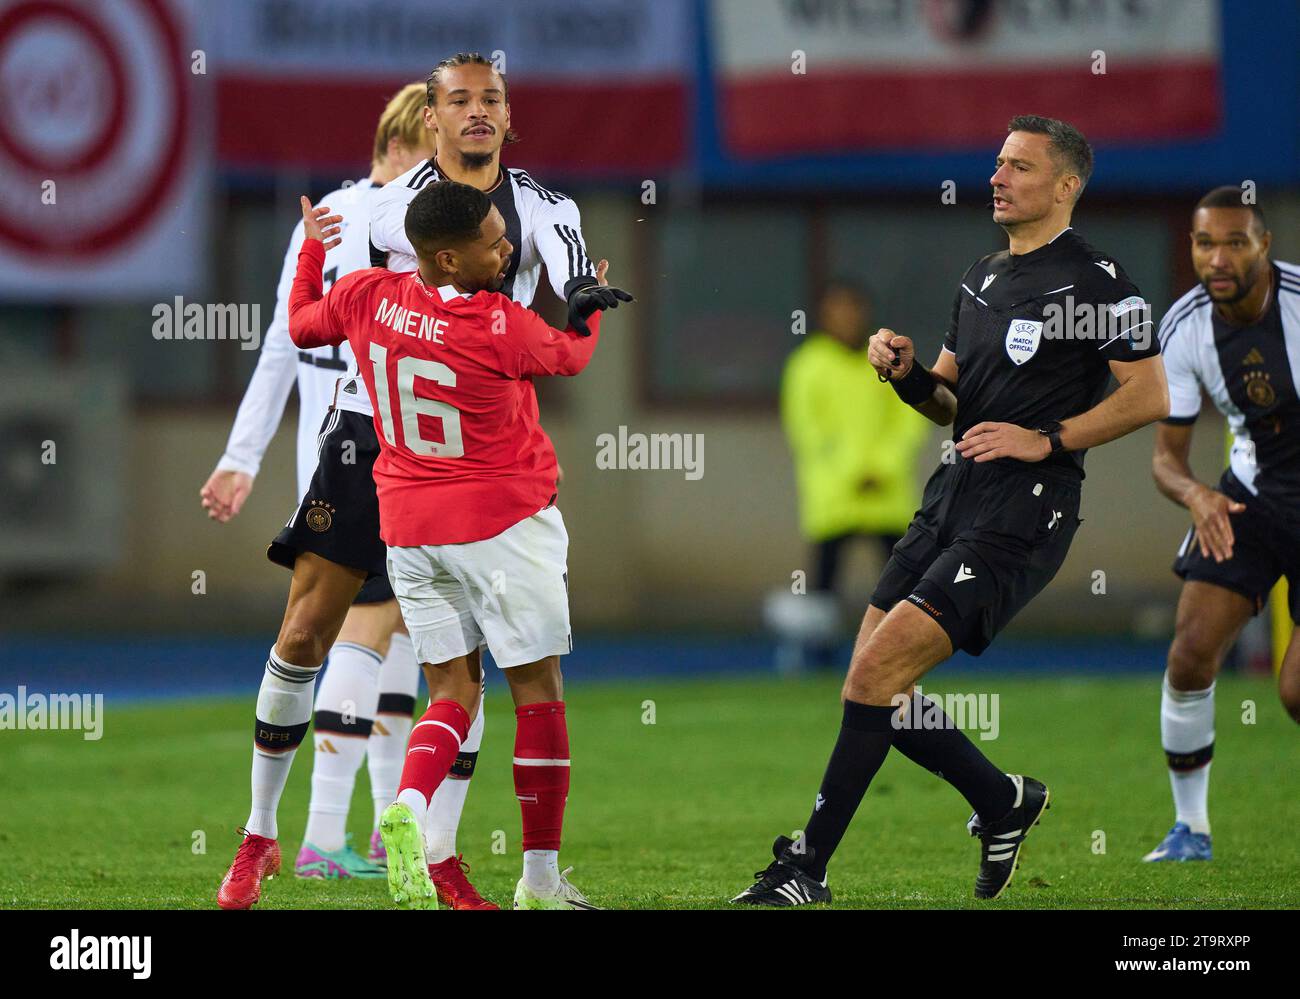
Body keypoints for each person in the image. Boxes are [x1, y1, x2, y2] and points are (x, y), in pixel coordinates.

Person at [732, 115, 1169, 905]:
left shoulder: (1098, 279)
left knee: (873, 671)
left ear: (1066, 186)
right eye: (998, 163)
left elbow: (1152, 394)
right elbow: (947, 401)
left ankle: (807, 867)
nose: (998, 177)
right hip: (950, 495)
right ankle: (1002, 800)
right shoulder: (983, 275)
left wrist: (1049, 438)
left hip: (1023, 511)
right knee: (870, 682)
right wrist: (903, 374)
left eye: (1020, 167)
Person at [288, 180, 630, 909]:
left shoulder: (368, 296)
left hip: (409, 528)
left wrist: (313, 252)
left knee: (452, 690)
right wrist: (591, 303)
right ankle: (539, 882)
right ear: (447, 257)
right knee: (538, 693)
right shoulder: (497, 324)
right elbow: (570, 356)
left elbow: (301, 326)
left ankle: (407, 806)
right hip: (502, 522)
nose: (509, 249)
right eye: (495, 242)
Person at [204, 84, 455, 889]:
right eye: (452, 125)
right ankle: (314, 833)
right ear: (421, 130)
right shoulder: (365, 215)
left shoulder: (409, 215)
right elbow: (291, 336)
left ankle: (383, 827)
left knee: (404, 638)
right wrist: (241, 452)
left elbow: (288, 334)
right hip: (357, 447)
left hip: (390, 447)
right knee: (354, 630)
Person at [1145, 187, 1300, 862]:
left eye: (1235, 241)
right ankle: (1190, 830)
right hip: (1253, 499)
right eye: (1205, 242)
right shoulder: (1182, 328)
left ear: (1264, 244)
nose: (1218, 256)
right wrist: (1198, 497)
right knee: (1189, 652)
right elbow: (1164, 461)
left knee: (1294, 693)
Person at [780, 279, 930, 667]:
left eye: (852, 308)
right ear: (824, 314)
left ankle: (904, 650)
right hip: (834, 494)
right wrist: (853, 471)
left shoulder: (888, 359)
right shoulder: (807, 364)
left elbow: (911, 418)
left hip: (887, 490)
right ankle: (818, 655)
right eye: (836, 309)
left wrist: (883, 466)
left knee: (901, 573)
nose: (845, 317)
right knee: (825, 579)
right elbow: (807, 428)